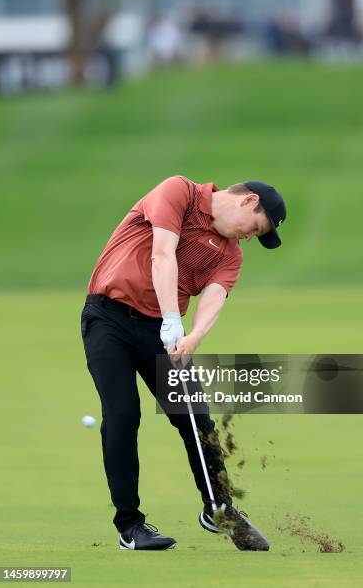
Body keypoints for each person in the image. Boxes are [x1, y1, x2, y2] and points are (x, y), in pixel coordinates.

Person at [80, 175, 286, 551]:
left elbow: (215, 296)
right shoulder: (180, 193)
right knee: (123, 413)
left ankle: (218, 509)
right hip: (107, 318)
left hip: (159, 328)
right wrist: (173, 318)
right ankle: (131, 526)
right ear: (247, 200)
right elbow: (162, 252)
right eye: (256, 228)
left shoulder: (230, 254)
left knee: (195, 415)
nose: (249, 238)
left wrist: (193, 337)